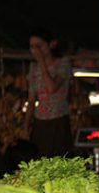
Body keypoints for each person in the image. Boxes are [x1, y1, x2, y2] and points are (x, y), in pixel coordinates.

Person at [25, 28, 72, 157]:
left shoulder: (63, 64)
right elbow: (31, 99)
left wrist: (42, 64)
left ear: (51, 44)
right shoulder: (33, 68)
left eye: (39, 46)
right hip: (40, 121)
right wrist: (26, 125)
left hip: (58, 120)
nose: (35, 51)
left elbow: (52, 88)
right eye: (32, 47)